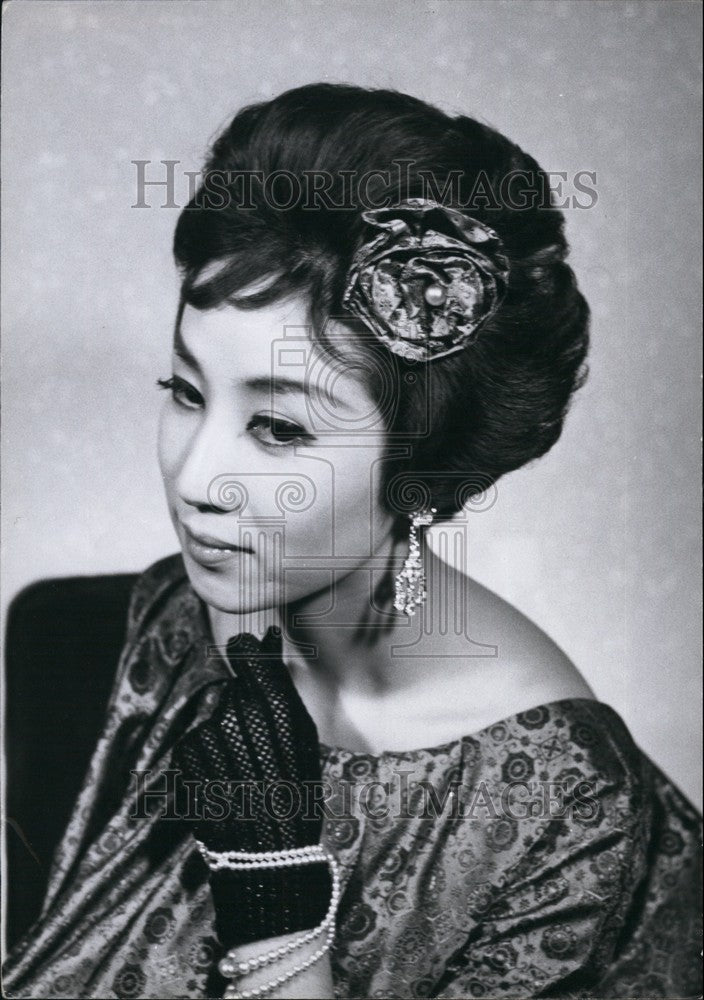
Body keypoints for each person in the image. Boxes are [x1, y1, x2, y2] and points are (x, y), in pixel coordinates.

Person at [3, 83, 701, 1000]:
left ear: (421, 472)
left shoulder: (569, 814)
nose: (196, 478)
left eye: (281, 430)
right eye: (185, 391)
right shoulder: (95, 639)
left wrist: (279, 901)